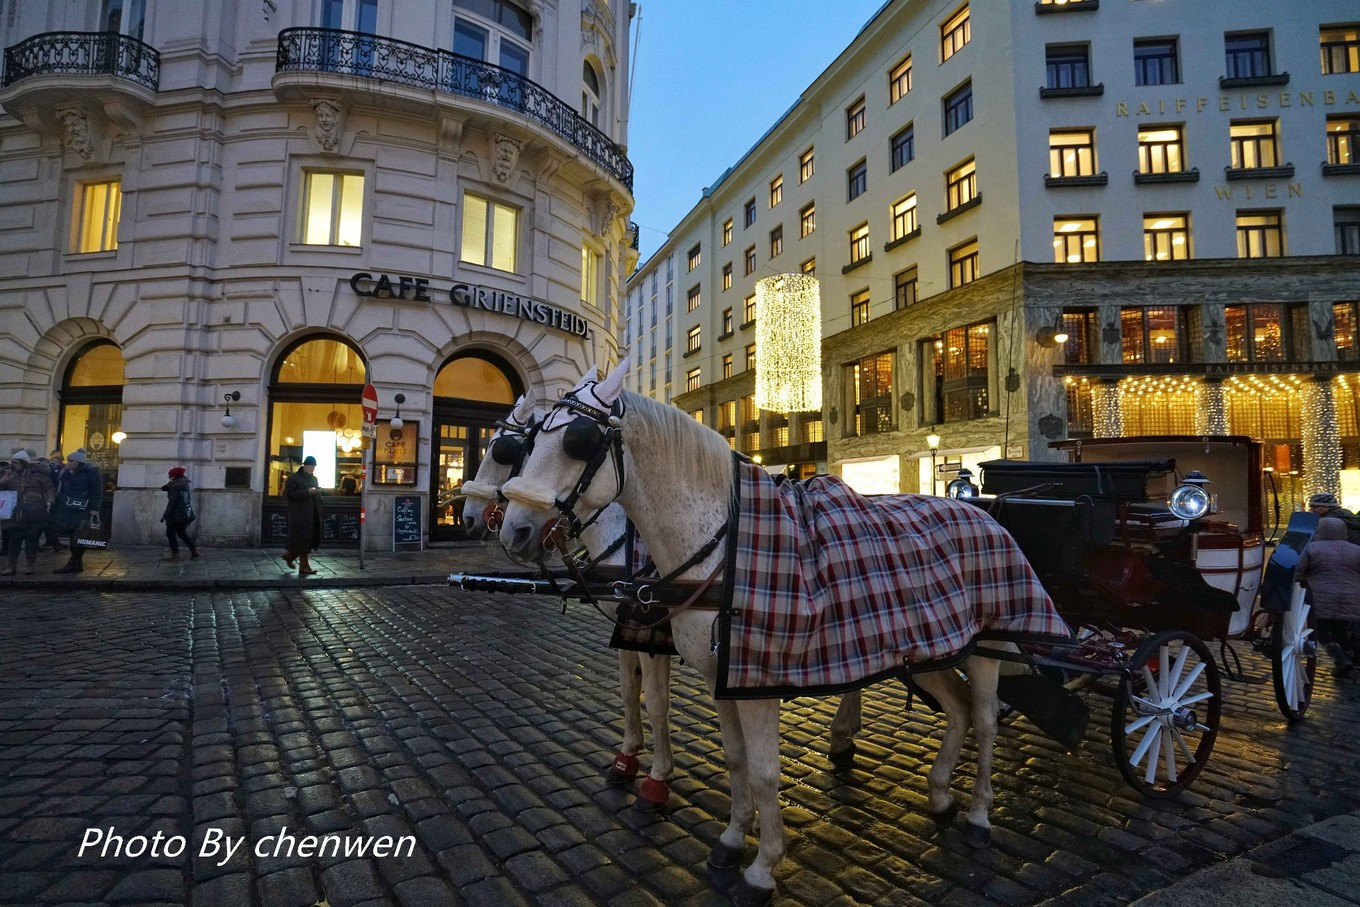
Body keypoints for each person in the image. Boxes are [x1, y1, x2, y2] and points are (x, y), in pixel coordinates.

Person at [1297, 516, 1360, 678]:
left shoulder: (1312, 548)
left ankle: (1339, 656)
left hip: (1320, 598)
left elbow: (1299, 571)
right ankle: (1347, 659)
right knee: (1341, 629)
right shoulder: (1355, 549)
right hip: (1351, 598)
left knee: (1321, 631)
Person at [0, 450, 56, 575]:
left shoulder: (38, 475)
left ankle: (30, 565)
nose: (16, 465)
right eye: (14, 462)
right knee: (14, 540)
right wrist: (2, 481)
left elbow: (49, 489)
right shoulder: (8, 475)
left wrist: (49, 502)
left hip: (34, 511)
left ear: (25, 463)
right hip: (15, 513)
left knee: (31, 540)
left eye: (19, 462)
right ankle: (11, 566)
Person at [51, 448, 101, 574]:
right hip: (67, 508)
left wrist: (95, 509)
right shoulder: (65, 473)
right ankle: (77, 563)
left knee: (78, 536)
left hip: (83, 508)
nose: (68, 463)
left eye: (71, 461)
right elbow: (61, 489)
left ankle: (74, 561)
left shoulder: (90, 474)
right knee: (72, 534)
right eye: (68, 461)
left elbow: (96, 492)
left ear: (79, 462)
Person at [282, 455, 322, 575]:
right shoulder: (294, 478)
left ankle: (289, 556)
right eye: (311, 466)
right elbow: (290, 495)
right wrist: (307, 492)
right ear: (305, 466)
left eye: (314, 467)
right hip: (299, 514)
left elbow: (316, 496)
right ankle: (304, 566)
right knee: (303, 540)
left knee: (306, 540)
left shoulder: (314, 479)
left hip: (312, 514)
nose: (312, 469)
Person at [160, 466, 198, 561]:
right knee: (182, 533)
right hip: (184, 513)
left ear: (174, 477)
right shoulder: (184, 485)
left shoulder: (175, 487)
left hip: (175, 515)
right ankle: (194, 551)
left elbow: (172, 503)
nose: (169, 478)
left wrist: (165, 515)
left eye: (170, 476)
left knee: (170, 534)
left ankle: (175, 555)